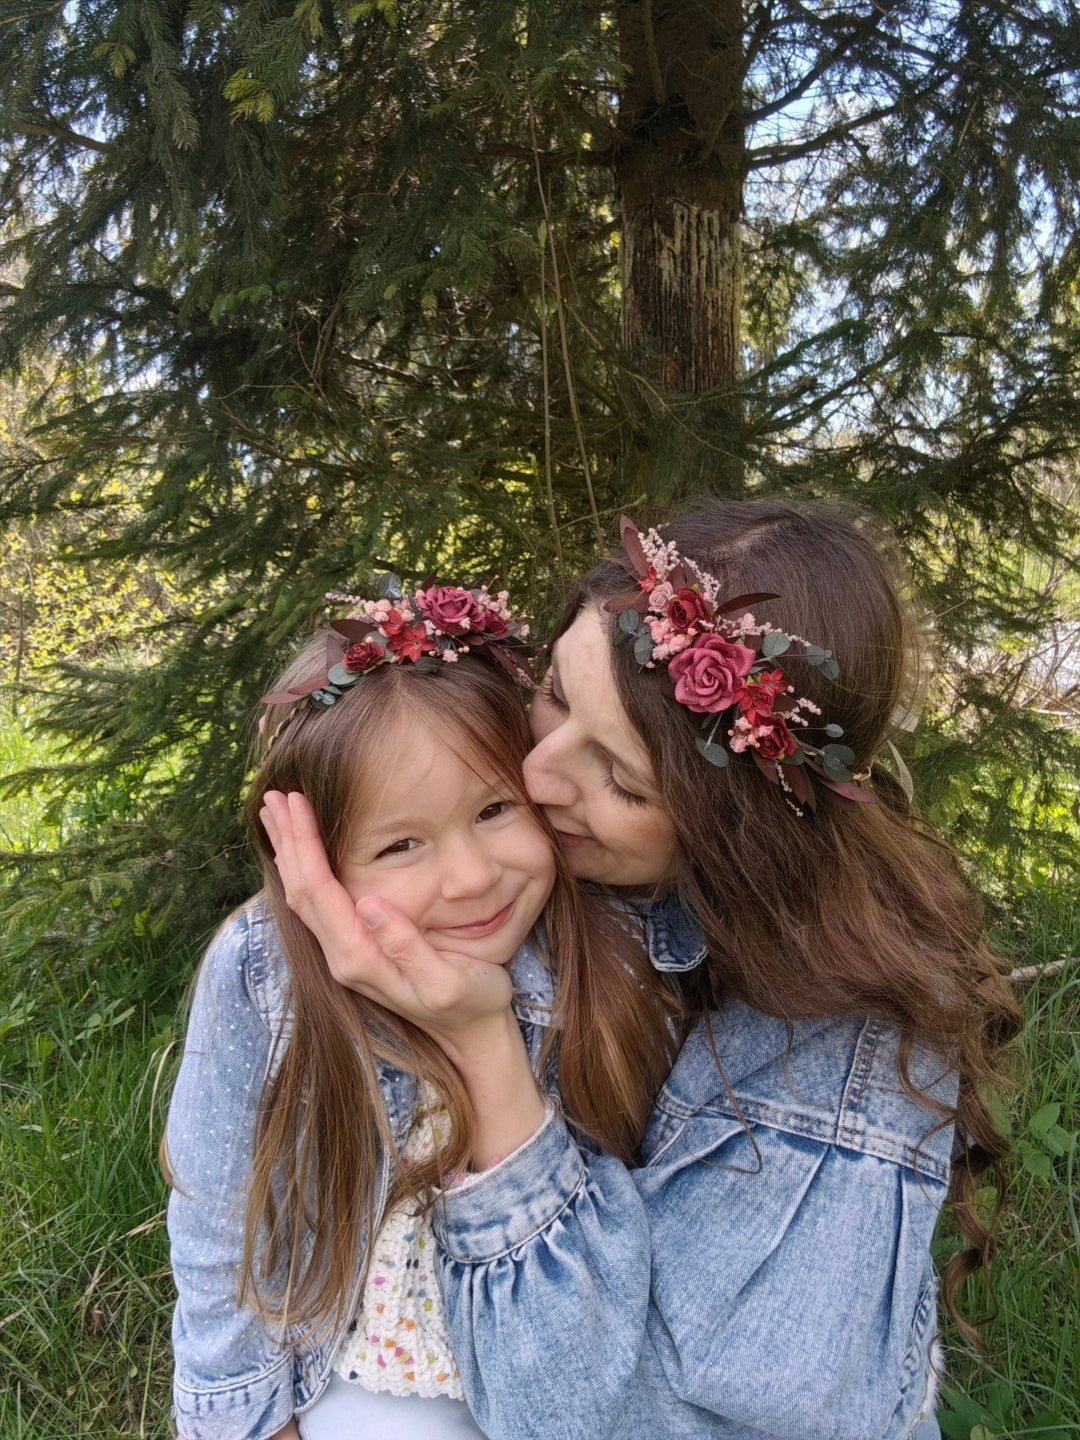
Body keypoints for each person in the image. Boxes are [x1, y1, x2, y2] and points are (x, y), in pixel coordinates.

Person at [267, 501, 1022, 1440]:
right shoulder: (539, 878)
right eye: (553, 692)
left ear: (730, 831)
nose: (536, 776)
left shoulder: (837, 1069)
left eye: (622, 782)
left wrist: (483, 1054)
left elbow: (593, 1420)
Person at [163, 578, 678, 1440]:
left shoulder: (612, 955)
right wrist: (245, 1422)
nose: (472, 878)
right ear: (315, 865)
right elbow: (220, 1224)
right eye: (402, 843)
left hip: (557, 1358)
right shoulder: (265, 974)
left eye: (493, 809)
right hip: (363, 1368)